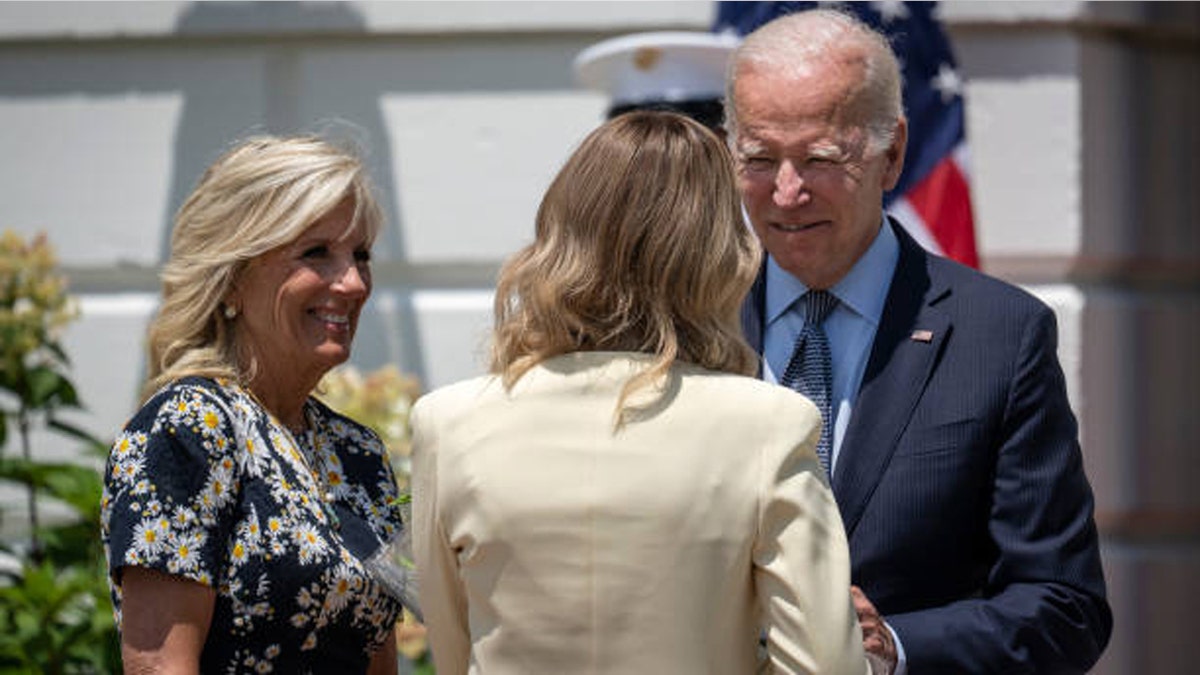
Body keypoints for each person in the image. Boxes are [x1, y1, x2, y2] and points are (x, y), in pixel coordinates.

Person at [411, 111, 881, 674]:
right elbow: (825, 667)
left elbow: (454, 648)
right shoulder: (770, 424)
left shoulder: (449, 422)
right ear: (718, 253)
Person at [727, 9, 1112, 674]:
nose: (787, 194)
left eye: (820, 158)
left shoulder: (1000, 335)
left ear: (893, 152)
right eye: (760, 159)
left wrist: (894, 648)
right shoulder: (687, 321)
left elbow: (1064, 605)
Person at [100, 134, 407, 673]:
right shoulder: (187, 430)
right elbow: (160, 666)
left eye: (361, 255)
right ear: (232, 280)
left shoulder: (358, 452)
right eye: (317, 253)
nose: (355, 283)